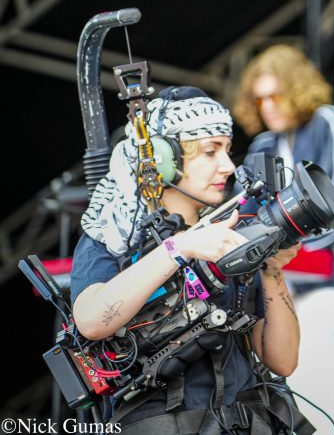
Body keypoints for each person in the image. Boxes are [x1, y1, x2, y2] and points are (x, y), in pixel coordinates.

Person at [71, 87, 305, 434]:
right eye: (210, 152)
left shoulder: (230, 231)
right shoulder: (113, 234)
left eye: (227, 150)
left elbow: (282, 361)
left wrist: (271, 269)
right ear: (163, 161)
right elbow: (91, 321)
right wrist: (180, 248)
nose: (228, 166)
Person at [233, 44, 334, 435]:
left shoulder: (329, 122)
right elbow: (242, 218)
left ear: (296, 89)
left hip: (323, 281)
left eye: (276, 95)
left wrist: (280, 248)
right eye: (259, 99)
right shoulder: (263, 146)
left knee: (317, 401)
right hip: (276, 287)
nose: (268, 106)